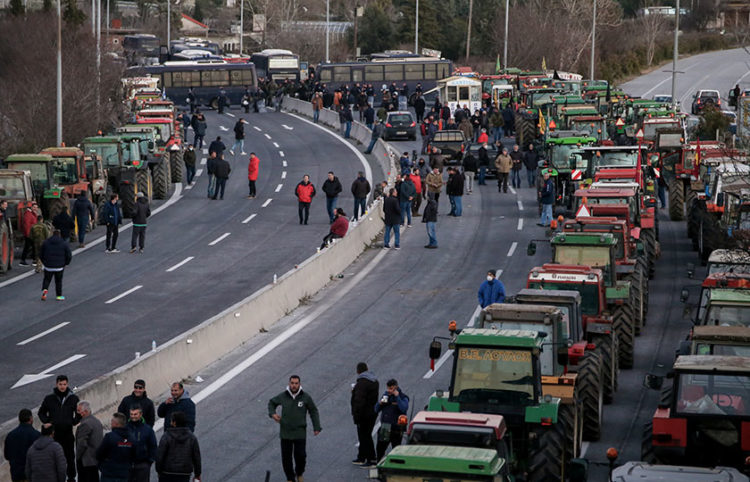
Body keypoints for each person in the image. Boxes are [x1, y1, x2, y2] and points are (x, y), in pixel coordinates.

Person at [268, 375, 322, 482]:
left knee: (301, 456)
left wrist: (317, 427)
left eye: (296, 383)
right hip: (286, 433)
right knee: (286, 458)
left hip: (299, 433)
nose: (294, 385)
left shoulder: (305, 397)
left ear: (299, 384)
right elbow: (271, 403)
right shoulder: (283, 396)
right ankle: (290, 478)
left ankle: (299, 473)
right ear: (289, 384)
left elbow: (313, 411)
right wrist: (273, 414)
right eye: (292, 383)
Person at [38, 375, 81, 481]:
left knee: (70, 457)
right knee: (54, 458)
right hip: (54, 434)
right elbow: (41, 412)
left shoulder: (73, 398)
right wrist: (48, 422)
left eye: (64, 384)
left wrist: (73, 422)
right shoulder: (49, 399)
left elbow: (78, 413)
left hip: (67, 433)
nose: (62, 387)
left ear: (67, 384)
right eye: (60, 384)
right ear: (56, 384)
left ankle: (71, 478)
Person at [156, 412, 201, 482]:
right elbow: (196, 457)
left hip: (167, 472)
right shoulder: (191, 437)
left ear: (174, 423)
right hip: (184, 473)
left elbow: (160, 455)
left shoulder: (167, 436)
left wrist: (159, 470)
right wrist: (197, 474)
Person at [351, 363, 379, 467]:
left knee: (364, 436)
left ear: (358, 371)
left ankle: (371, 458)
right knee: (365, 435)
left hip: (364, 415)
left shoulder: (361, 383)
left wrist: (356, 416)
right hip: (372, 412)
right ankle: (361, 457)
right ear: (367, 369)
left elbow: (359, 401)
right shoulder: (374, 381)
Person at [374, 379, 409, 462]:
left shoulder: (403, 397)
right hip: (385, 427)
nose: (389, 391)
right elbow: (376, 410)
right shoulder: (386, 396)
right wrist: (380, 403)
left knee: (396, 449)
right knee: (380, 449)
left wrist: (397, 397)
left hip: (397, 428)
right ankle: (379, 464)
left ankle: (395, 467)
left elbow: (404, 408)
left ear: (396, 388)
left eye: (391, 389)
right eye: (388, 388)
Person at [4, 409, 40, 482]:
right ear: (31, 418)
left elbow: (7, 456)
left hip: (16, 474)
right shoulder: (37, 435)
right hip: (32, 474)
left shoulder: (10, 435)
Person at [96, 413, 133, 482]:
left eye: (112, 422)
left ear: (116, 424)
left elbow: (99, 454)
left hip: (109, 474)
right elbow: (135, 455)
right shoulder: (131, 438)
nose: (111, 424)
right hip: (124, 474)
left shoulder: (109, 437)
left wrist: (102, 467)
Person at [39, 230, 72, 301]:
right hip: (59, 267)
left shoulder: (46, 242)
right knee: (58, 281)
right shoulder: (64, 243)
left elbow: (41, 254)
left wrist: (44, 262)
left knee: (47, 279)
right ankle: (59, 296)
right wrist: (66, 263)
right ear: (59, 235)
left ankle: (45, 290)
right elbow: (69, 255)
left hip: (48, 266)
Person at [75, 401, 103, 482]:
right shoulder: (96, 421)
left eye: (79, 411)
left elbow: (82, 444)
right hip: (95, 460)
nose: (77, 413)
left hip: (86, 462)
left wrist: (78, 457)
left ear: (85, 412)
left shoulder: (85, 424)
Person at [127, 406, 157, 482]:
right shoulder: (125, 428)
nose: (133, 416)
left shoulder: (148, 429)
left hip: (143, 465)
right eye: (131, 414)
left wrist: (149, 461)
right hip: (127, 465)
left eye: (135, 414)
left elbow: (153, 446)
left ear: (141, 414)